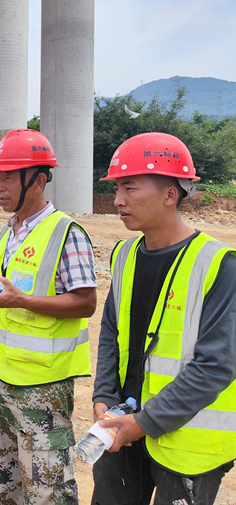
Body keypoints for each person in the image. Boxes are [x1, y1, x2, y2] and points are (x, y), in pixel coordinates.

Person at [91, 132, 236, 505]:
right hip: (122, 425)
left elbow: (216, 366)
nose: (118, 200)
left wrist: (142, 424)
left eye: (130, 188)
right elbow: (111, 331)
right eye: (117, 188)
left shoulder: (218, 265)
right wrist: (105, 394)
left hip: (187, 444)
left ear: (171, 195)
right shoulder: (124, 254)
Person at [0, 129, 97, 505]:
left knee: (49, 490)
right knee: (11, 483)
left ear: (37, 180)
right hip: (0, 377)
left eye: (7, 177)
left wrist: (21, 301)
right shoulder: (10, 231)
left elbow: (86, 302)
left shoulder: (65, 233)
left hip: (42, 387)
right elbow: (9, 288)